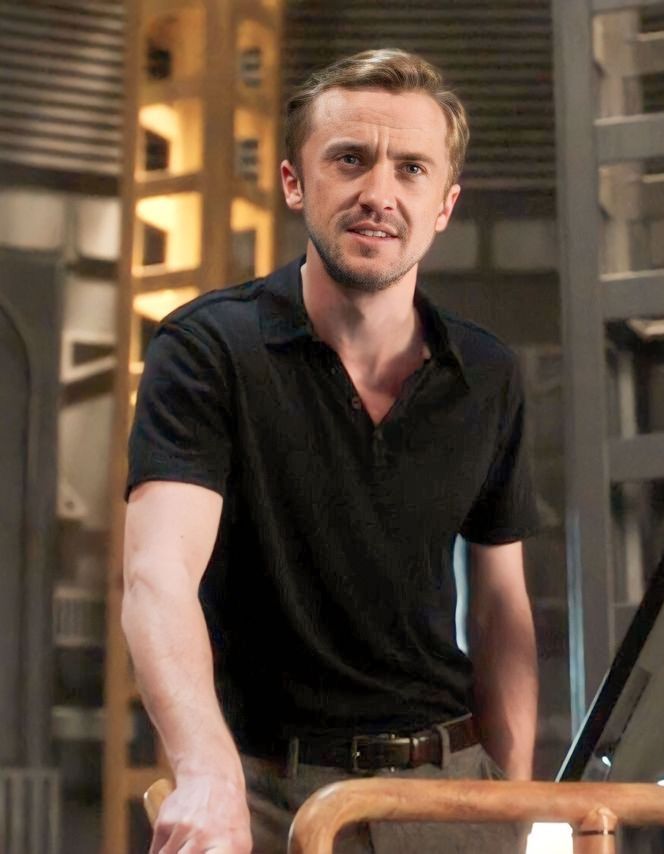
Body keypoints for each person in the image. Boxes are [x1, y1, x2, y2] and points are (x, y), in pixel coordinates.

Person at [123, 48, 539, 854]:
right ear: (293, 182)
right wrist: (206, 774)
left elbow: (499, 606)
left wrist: (515, 799)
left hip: (449, 791)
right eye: (350, 159)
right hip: (266, 792)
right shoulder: (208, 350)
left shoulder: (486, 373)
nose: (378, 193)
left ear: (444, 204)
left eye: (411, 169)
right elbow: (156, 576)